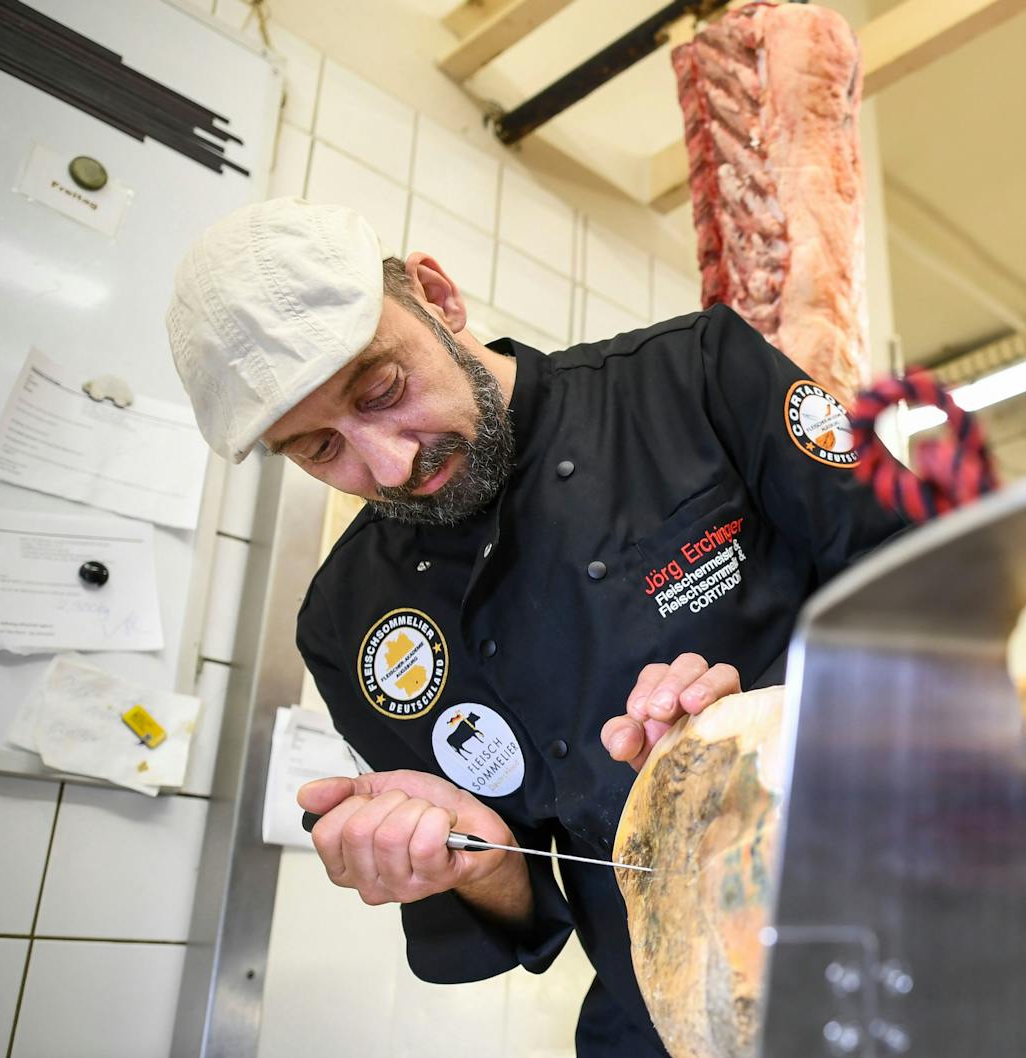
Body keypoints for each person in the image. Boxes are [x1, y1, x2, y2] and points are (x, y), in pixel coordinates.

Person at [165, 198, 907, 1054]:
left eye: (383, 389)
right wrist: (469, 863)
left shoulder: (694, 377)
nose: (390, 464)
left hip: (899, 911)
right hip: (670, 1014)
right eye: (319, 450)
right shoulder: (348, 622)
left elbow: (929, 596)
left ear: (438, 299)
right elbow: (519, 907)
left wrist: (773, 717)